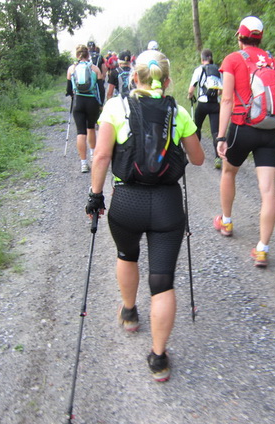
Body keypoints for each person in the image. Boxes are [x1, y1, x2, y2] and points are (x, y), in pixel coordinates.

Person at [85, 50, 205, 381]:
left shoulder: (115, 107)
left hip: (127, 202)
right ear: (167, 82)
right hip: (167, 205)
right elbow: (198, 159)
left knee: (127, 255)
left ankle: (129, 312)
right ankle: (159, 358)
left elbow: (102, 156)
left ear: (134, 78)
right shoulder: (178, 112)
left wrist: (95, 196)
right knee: (162, 281)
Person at [214, 16, 275, 268]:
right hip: (271, 129)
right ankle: (262, 249)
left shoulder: (233, 59)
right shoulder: (271, 59)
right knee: (268, 190)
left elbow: (226, 100)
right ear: (260, 38)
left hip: (242, 127)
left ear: (240, 36)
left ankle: (226, 221)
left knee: (228, 172)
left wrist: (221, 136)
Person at [66, 44, 105, 172]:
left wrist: (73, 95)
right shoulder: (95, 69)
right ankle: (93, 155)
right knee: (91, 128)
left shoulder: (71, 69)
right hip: (91, 102)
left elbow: (68, 90)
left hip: (78, 102)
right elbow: (101, 90)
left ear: (77, 55)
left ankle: (83, 163)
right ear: (88, 54)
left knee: (80, 132)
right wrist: (101, 104)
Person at [187, 49, 222, 169]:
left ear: (202, 59)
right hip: (215, 104)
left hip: (202, 103)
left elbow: (191, 90)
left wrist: (190, 96)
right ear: (211, 58)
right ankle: (218, 158)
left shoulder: (199, 70)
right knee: (215, 131)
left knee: (197, 126)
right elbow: (221, 90)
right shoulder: (218, 70)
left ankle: (195, 152)